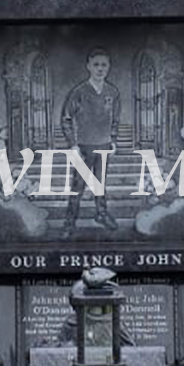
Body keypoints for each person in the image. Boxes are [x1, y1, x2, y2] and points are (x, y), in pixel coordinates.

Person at [60, 47, 121, 234]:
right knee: (78, 186)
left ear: (108, 67)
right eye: (96, 65)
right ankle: (70, 222)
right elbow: (66, 118)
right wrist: (73, 144)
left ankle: (101, 213)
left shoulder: (112, 92)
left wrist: (113, 139)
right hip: (84, 147)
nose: (100, 69)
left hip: (103, 145)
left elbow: (116, 119)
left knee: (100, 183)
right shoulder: (79, 92)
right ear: (88, 66)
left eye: (104, 65)